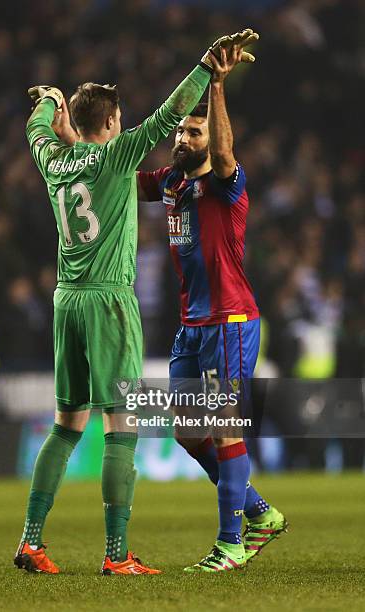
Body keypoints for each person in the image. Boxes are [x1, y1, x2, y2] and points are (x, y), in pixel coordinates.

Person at [13, 35, 250, 576]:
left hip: (65, 301)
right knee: (123, 427)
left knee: (66, 424)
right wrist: (208, 67)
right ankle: (116, 555)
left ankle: (31, 541)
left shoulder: (52, 160)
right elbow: (171, 109)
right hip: (109, 303)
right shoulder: (120, 155)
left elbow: (38, 130)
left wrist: (51, 102)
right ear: (115, 122)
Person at [137, 39, 287, 572]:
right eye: (181, 130)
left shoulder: (227, 184)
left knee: (226, 427)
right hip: (192, 326)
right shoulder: (173, 183)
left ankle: (230, 545)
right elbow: (122, 182)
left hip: (230, 319)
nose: (183, 137)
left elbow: (224, 153)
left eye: (192, 132)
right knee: (185, 430)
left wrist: (217, 84)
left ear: (211, 138)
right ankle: (260, 513)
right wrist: (77, 145)